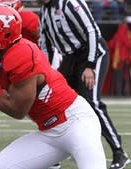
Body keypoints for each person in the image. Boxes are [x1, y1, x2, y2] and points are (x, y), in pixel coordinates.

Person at [0, 4, 106, 169]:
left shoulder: (21, 54)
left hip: (76, 123)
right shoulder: (1, 53)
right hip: (50, 131)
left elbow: (17, 111)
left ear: (4, 34)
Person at [38, 0, 130, 169]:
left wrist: (90, 64)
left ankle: (119, 152)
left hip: (91, 53)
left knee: (92, 102)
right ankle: (55, 154)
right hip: (70, 58)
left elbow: (92, 31)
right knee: (57, 102)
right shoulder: (45, 11)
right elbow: (46, 46)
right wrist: (47, 73)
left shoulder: (69, 3)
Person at [107, 16, 131, 96]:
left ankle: (120, 94)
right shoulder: (124, 33)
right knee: (123, 78)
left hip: (121, 60)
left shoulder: (120, 33)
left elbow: (111, 45)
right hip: (123, 60)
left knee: (121, 78)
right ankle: (122, 94)